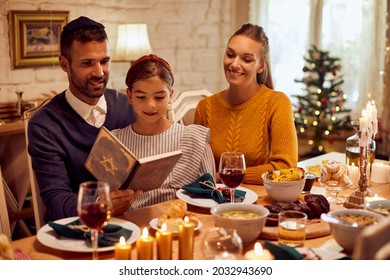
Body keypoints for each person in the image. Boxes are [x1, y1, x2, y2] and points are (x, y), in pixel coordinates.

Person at [27, 16, 141, 223]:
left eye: (104, 61)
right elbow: (55, 200)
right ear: (64, 64)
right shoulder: (45, 125)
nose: (99, 72)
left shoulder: (129, 106)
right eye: (87, 63)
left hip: (132, 223)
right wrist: (100, 204)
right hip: (75, 232)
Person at [194, 23, 298, 185]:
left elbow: (285, 168)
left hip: (261, 201)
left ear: (261, 66)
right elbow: (196, 167)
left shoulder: (277, 103)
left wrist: (226, 176)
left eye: (247, 59)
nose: (235, 64)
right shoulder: (205, 107)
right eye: (230, 54)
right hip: (214, 200)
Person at [113, 54, 216, 209]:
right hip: (130, 228)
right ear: (129, 96)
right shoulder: (115, 142)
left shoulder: (194, 139)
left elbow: (210, 198)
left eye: (159, 97)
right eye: (141, 97)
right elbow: (104, 201)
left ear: (171, 95)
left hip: (178, 226)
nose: (151, 105)